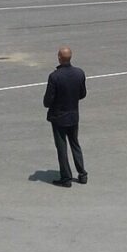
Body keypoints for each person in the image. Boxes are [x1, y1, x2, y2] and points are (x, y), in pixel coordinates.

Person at [43, 46, 87, 188]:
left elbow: (47, 101)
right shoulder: (79, 73)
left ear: (59, 58)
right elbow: (82, 94)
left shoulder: (55, 76)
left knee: (61, 147)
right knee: (75, 144)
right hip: (73, 115)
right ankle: (82, 173)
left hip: (59, 117)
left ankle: (66, 177)